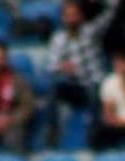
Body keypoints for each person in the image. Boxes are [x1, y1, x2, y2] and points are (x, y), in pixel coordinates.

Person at [46, 0, 120, 147]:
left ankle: (94, 135)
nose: (72, 19)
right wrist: (61, 67)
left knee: (94, 91)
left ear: (81, 16)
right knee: (54, 89)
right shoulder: (58, 39)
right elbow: (51, 66)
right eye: (68, 15)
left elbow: (110, 13)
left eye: (75, 15)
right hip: (74, 86)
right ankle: (52, 131)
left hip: (94, 84)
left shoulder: (91, 32)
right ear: (63, 18)